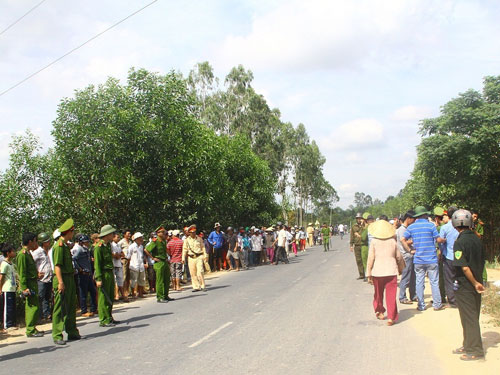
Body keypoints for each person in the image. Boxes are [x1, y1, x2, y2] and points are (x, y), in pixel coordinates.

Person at [451, 209, 486, 361]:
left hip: (467, 284)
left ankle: (475, 350)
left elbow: (464, 267)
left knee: (468, 317)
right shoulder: (477, 240)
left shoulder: (459, 242)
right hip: (477, 282)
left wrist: (475, 282)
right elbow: (482, 261)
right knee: (471, 315)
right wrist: (479, 281)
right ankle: (468, 344)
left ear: (455, 223)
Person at [401, 206, 445, 311]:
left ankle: (421, 305)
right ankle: (437, 304)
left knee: (419, 282)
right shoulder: (431, 226)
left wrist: (409, 250)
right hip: (431, 258)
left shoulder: (412, 227)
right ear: (425, 215)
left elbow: (403, 239)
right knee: (434, 281)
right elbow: (438, 239)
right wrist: (445, 240)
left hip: (418, 259)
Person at [366, 220, 405, 326]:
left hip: (377, 272)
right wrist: (401, 269)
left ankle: (380, 311)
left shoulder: (374, 242)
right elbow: (399, 257)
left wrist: (368, 272)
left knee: (378, 294)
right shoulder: (393, 241)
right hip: (391, 271)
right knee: (391, 295)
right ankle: (391, 317)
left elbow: (370, 258)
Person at [52, 218, 81, 345]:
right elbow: (57, 266)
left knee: (70, 306)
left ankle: (71, 331)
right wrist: (60, 282)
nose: (73, 234)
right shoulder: (58, 246)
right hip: (62, 278)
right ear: (69, 232)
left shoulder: (64, 245)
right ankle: (57, 334)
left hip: (69, 277)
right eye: (72, 232)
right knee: (59, 308)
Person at [17, 232, 44, 338]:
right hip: (29, 284)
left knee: (35, 306)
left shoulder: (28, 253)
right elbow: (22, 273)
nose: (36, 243)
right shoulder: (22, 254)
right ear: (30, 242)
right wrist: (24, 288)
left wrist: (36, 275)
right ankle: (30, 329)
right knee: (32, 307)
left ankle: (32, 327)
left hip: (33, 282)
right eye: (35, 241)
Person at [94, 224, 120, 327]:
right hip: (103, 273)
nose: (113, 235)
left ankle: (109, 317)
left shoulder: (108, 245)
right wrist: (99, 278)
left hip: (109, 272)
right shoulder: (98, 247)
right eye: (111, 233)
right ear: (107, 234)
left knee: (110, 296)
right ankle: (104, 319)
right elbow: (97, 264)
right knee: (103, 298)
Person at [437, 206, 459, 308]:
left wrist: (440, 254)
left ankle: (452, 301)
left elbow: (441, 243)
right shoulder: (460, 225)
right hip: (460, 257)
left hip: (448, 256)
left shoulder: (444, 228)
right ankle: (460, 298)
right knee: (459, 278)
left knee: (449, 279)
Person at [145, 226, 173, 303]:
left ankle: (165, 295)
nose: (164, 233)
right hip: (159, 262)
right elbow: (146, 250)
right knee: (159, 280)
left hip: (164, 261)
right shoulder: (155, 241)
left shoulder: (164, 241)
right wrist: (152, 258)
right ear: (158, 233)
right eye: (163, 232)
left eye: (164, 232)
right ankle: (160, 297)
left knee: (167, 279)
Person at [72, 234, 98, 317]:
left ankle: (94, 309)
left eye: (87, 242)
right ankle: (84, 311)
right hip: (83, 274)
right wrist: (80, 269)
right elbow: (74, 259)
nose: (87, 243)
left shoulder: (86, 249)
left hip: (89, 274)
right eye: (85, 242)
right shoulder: (79, 250)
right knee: (83, 293)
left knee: (93, 291)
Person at [31, 232, 53, 321]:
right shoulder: (38, 252)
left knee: (47, 297)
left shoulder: (47, 251)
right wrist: (36, 273)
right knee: (40, 297)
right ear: (42, 242)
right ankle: (39, 316)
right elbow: (31, 263)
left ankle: (47, 314)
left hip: (48, 278)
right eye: (47, 241)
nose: (49, 243)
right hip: (41, 279)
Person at [397, 210, 417, 304]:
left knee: (413, 277)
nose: (414, 222)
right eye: (413, 220)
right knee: (406, 277)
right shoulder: (402, 230)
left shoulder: (408, 229)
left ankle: (413, 295)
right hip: (406, 256)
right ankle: (402, 297)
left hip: (411, 255)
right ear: (408, 219)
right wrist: (414, 240)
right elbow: (403, 241)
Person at [182, 225, 207, 292]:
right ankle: (196, 287)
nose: (193, 233)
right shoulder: (186, 240)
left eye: (194, 232)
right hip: (191, 257)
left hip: (199, 256)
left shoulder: (199, 239)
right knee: (193, 273)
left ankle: (203, 286)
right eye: (192, 232)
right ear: (189, 233)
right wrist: (183, 258)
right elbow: (184, 250)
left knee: (200, 271)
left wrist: (205, 255)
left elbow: (203, 247)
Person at [0, 243, 17, 332]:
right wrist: (0, 288)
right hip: (6, 289)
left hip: (12, 288)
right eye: (13, 251)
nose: (14, 253)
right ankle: (7, 325)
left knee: (12, 307)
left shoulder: (11, 264)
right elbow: (1, 277)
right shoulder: (4, 264)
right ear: (8, 253)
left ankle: (12, 323)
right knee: (7, 307)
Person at [128, 232, 146, 298]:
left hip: (141, 266)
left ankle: (140, 293)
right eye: (140, 238)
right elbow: (128, 256)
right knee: (134, 280)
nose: (142, 239)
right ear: (137, 239)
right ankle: (133, 294)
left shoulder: (141, 246)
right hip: (134, 266)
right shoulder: (131, 247)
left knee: (141, 280)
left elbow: (142, 256)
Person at [111, 233, 127, 302]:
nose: (118, 238)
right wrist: (118, 255)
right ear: (113, 238)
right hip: (113, 264)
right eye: (117, 237)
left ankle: (123, 295)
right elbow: (115, 255)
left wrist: (118, 255)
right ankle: (116, 295)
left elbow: (122, 254)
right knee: (115, 281)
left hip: (119, 264)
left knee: (120, 280)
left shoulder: (118, 245)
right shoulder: (111, 245)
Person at [350, 213, 365, 280]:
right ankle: (361, 274)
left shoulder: (365, 226)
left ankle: (367, 275)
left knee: (364, 260)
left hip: (364, 244)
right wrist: (351, 245)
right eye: (357, 218)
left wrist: (362, 225)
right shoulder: (354, 227)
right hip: (357, 245)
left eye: (360, 218)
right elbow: (352, 236)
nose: (359, 220)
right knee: (358, 260)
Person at [118, 230, 132, 299]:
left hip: (130, 260)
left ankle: (127, 291)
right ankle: (123, 293)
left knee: (128, 277)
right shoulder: (121, 242)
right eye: (128, 233)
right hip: (124, 260)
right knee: (124, 276)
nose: (130, 235)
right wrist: (121, 256)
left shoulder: (130, 242)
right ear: (124, 234)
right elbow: (118, 250)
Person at [361, 214, 375, 279]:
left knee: (369, 262)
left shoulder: (367, 228)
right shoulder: (378, 227)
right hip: (378, 248)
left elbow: (363, 238)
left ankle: (369, 276)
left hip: (370, 248)